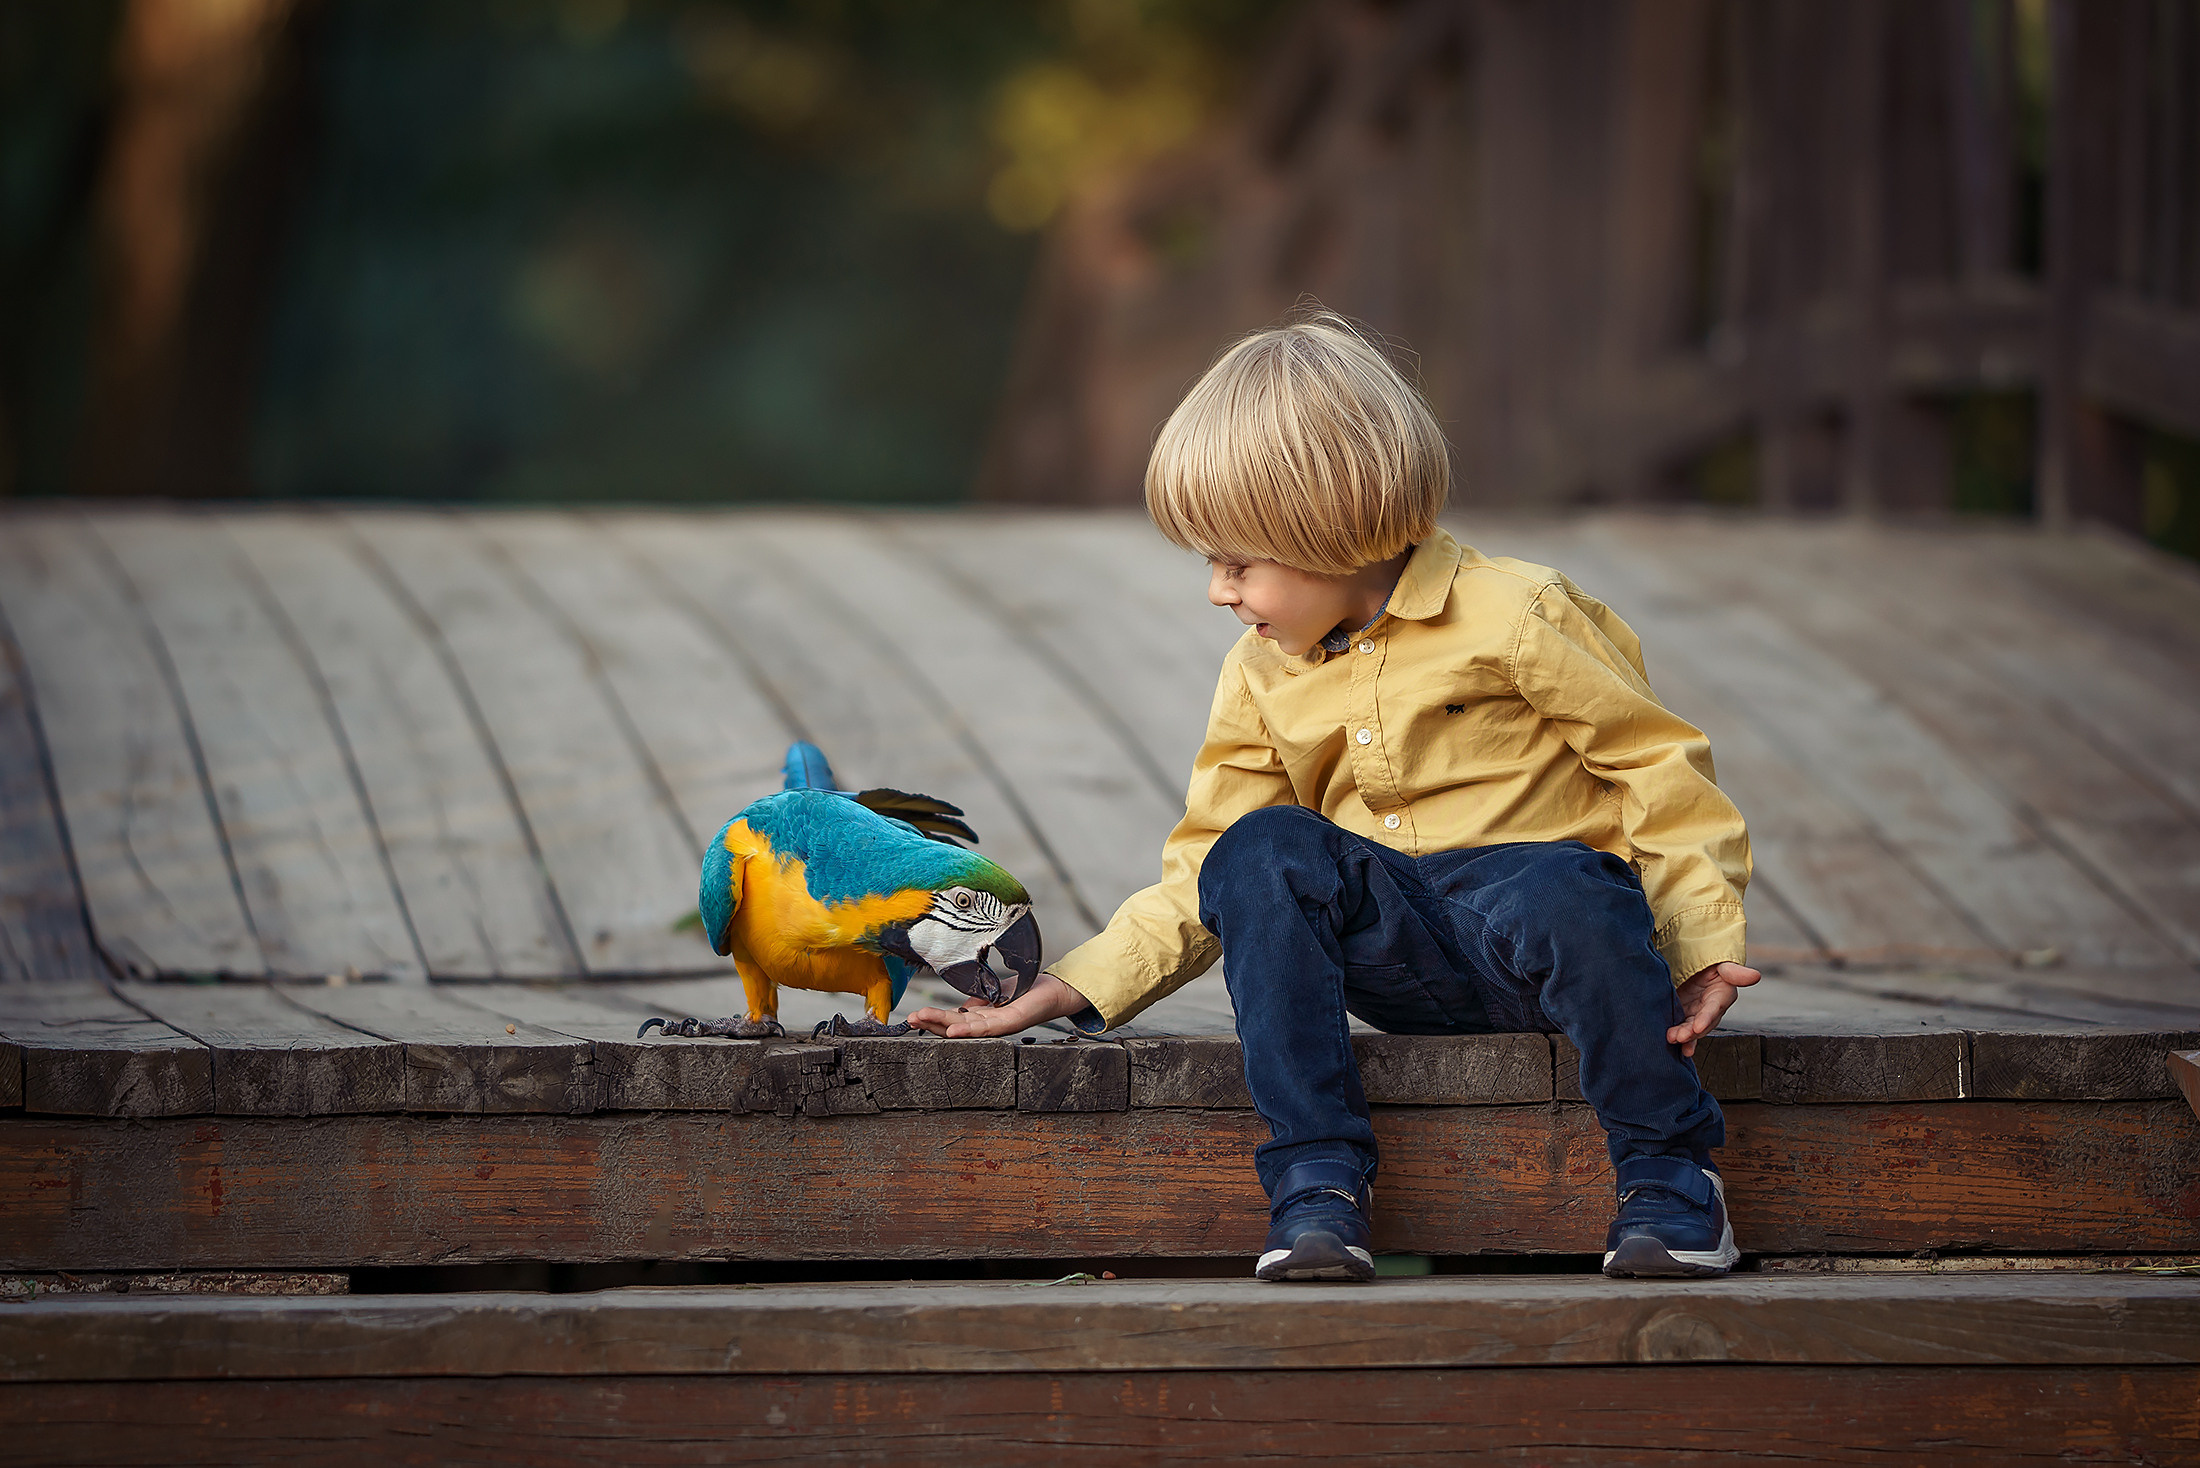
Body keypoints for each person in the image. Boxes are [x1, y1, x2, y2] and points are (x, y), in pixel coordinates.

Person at [910, 309, 1759, 1282]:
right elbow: (1208, 866)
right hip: (1395, 952)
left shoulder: (1516, 613)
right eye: (1208, 563)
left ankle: (1668, 1172)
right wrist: (1072, 985)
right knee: (1260, 848)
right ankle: (1317, 1182)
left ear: (1329, 529)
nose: (1217, 592)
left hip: (1544, 935)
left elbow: (1654, 764)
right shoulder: (1260, 673)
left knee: (1566, 887)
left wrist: (1697, 943)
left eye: (1237, 562)